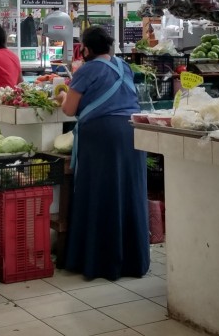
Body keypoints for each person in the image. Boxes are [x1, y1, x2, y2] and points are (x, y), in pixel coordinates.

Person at [57, 26, 149, 281]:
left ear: (86, 48)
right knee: (129, 192)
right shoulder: (124, 66)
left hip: (101, 137)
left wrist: (63, 95)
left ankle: (99, 261)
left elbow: (69, 109)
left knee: (99, 193)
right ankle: (132, 260)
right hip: (133, 131)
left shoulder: (87, 69)